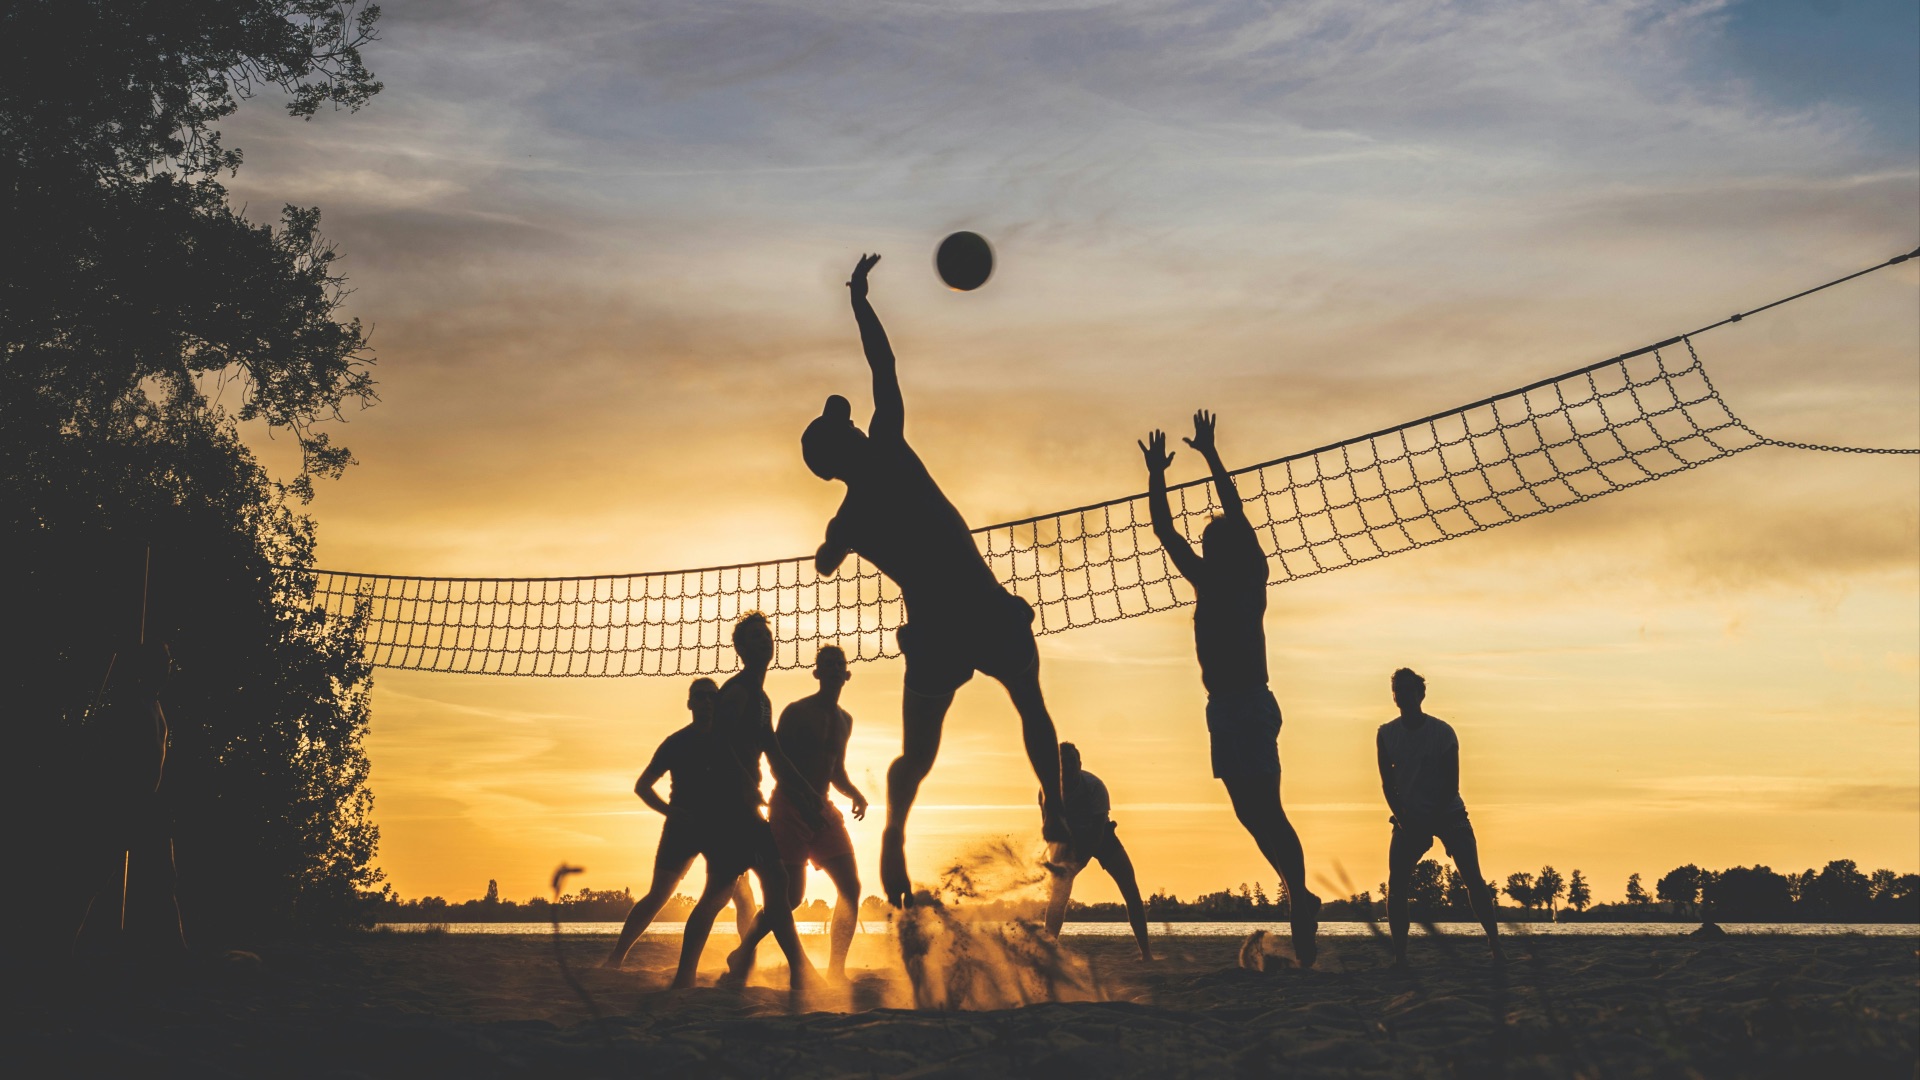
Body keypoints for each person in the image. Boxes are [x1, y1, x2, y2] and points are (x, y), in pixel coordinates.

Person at [802, 253, 1068, 908]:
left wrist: (836, 541)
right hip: (978, 608)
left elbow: (824, 563)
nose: (856, 420)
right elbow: (882, 366)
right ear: (847, 444)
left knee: (917, 759)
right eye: (845, 425)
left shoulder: (851, 513)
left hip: (934, 631)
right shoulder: (886, 446)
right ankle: (1055, 807)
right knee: (1030, 704)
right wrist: (860, 300)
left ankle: (893, 831)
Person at [1139, 410, 1323, 966]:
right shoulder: (1223, 577)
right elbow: (1172, 531)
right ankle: (1301, 893)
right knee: (1252, 813)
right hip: (1226, 706)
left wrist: (1189, 464)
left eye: (1209, 540)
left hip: (1244, 701)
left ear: (1221, 549)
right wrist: (1174, 468)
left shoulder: (1241, 576)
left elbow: (1201, 523)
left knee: (1266, 807)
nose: (1203, 544)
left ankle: (1300, 899)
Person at [667, 613, 823, 991]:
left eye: (765, 636)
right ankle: (799, 972)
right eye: (753, 638)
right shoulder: (736, 693)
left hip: (744, 810)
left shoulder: (762, 699)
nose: (762, 642)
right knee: (730, 892)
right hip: (727, 808)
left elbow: (775, 753)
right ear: (740, 648)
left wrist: (806, 792)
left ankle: (794, 971)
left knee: (758, 886)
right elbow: (717, 744)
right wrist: (743, 784)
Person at [725, 645, 870, 982]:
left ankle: (836, 970)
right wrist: (800, 800)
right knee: (790, 897)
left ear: (847, 673)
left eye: (839, 664)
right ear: (817, 673)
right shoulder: (796, 712)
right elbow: (778, 763)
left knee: (850, 887)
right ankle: (744, 951)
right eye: (827, 664)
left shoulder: (845, 720)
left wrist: (855, 793)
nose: (834, 669)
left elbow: (836, 771)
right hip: (789, 806)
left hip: (822, 808)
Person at [604, 677, 759, 969]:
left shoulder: (730, 741)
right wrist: (670, 812)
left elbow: (747, 780)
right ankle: (616, 958)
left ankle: (747, 959)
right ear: (690, 703)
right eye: (700, 697)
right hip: (683, 827)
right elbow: (643, 786)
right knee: (658, 895)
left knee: (742, 891)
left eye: (712, 697)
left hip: (722, 827)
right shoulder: (676, 743)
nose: (706, 702)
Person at [1377, 667, 1503, 967]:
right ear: (1394, 696)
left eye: (1410, 690)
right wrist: (1404, 818)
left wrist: (1432, 819)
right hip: (1408, 817)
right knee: (1397, 886)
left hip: (1448, 812)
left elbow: (1451, 783)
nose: (1404, 695)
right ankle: (1400, 956)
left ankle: (1496, 945)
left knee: (1472, 877)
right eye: (1399, 690)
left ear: (1421, 694)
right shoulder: (1386, 734)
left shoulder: (1443, 732)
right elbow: (1387, 784)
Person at [73, 641, 185, 958]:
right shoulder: (131, 704)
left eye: (169, 663)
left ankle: (176, 950)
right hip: (124, 805)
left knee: (164, 878)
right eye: (162, 664)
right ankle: (62, 946)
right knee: (94, 876)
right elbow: (111, 755)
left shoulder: (154, 704)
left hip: (147, 805)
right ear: (146, 669)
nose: (167, 669)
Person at [1040, 743, 1151, 961]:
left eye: (1072, 762)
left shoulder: (1094, 786)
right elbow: (1049, 829)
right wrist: (1056, 864)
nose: (1068, 767)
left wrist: (1079, 862)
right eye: (1063, 763)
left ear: (1079, 764)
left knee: (1130, 889)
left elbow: (1098, 833)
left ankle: (1146, 954)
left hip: (1101, 837)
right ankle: (1049, 954)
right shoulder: (1047, 791)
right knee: (1058, 896)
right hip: (1068, 843)